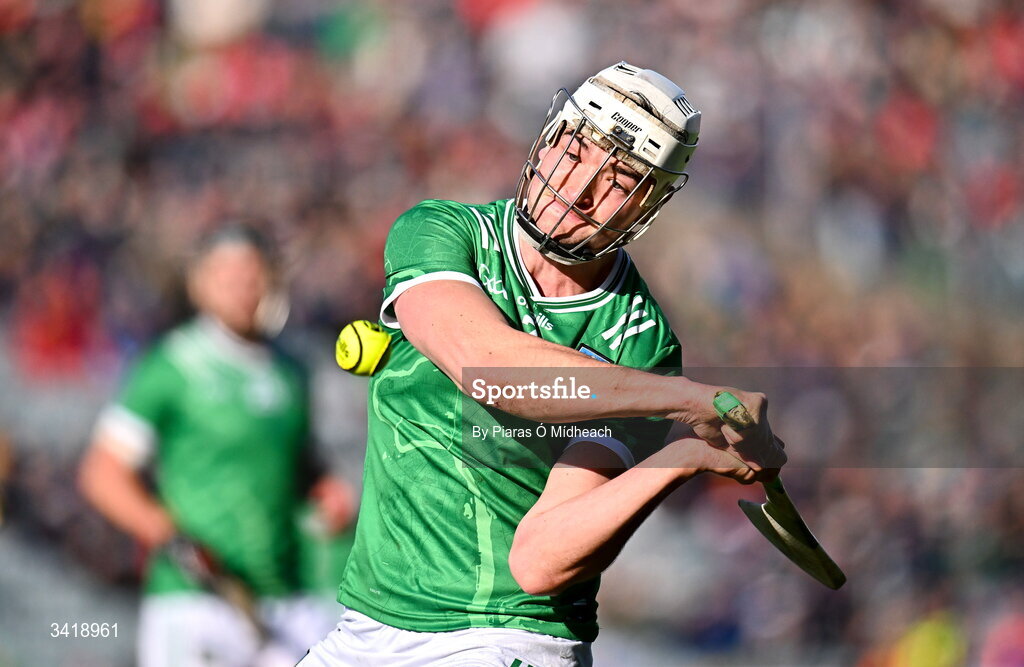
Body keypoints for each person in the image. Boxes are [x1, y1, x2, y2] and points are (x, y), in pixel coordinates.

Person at [301, 61, 787, 666]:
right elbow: (487, 368)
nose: (582, 189)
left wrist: (684, 456)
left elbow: (541, 560)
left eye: (620, 179)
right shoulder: (443, 232)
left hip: (504, 637)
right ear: (551, 137)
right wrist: (687, 400)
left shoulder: (640, 343)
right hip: (367, 627)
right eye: (578, 150)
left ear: (649, 206)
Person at [78, 225, 356, 667]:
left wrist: (324, 489)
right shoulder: (172, 365)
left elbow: (298, 466)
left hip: (281, 600)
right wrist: (167, 533)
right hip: (196, 600)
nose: (243, 286)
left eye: (253, 273)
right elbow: (103, 472)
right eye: (227, 274)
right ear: (199, 283)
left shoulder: (290, 371)